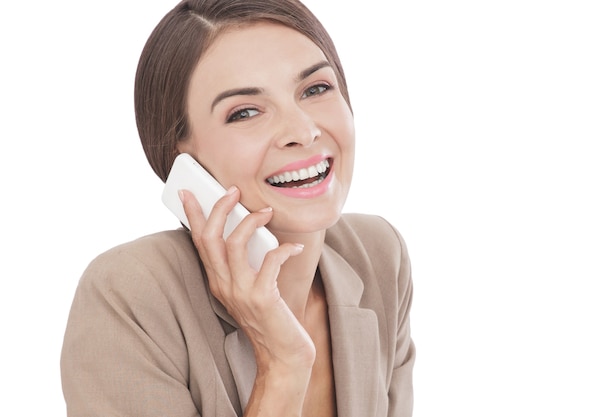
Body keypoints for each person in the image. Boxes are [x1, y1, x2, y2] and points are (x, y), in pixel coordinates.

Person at [60, 0, 415, 416]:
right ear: (183, 161)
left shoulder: (378, 255)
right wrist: (283, 365)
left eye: (316, 89)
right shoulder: (130, 294)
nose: (303, 131)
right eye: (245, 112)